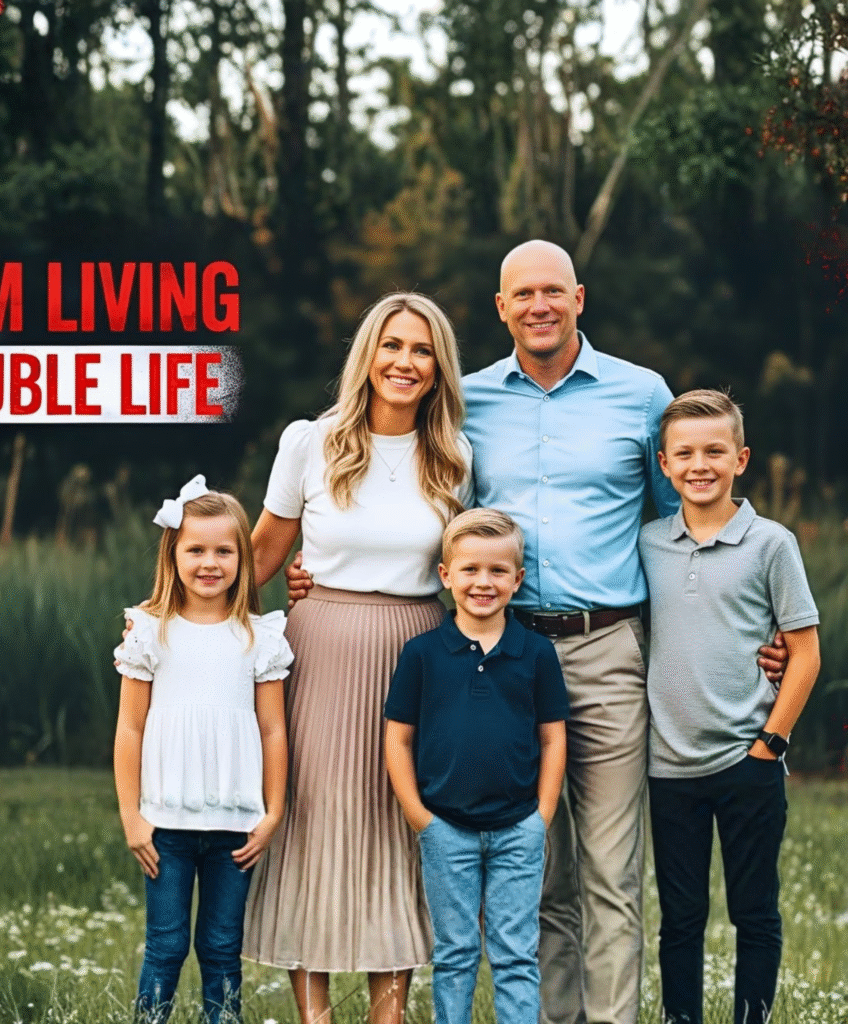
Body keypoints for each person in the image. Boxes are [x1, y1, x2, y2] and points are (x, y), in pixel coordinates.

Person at [284, 241, 788, 1024]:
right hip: (505, 657)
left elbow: (679, 523)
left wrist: (742, 627)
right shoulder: (468, 407)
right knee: (538, 869)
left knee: (612, 873)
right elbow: (429, 521)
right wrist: (316, 570)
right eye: (523, 295)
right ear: (501, 308)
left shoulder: (640, 395)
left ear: (579, 298)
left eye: (553, 291)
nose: (539, 306)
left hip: (610, 649)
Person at [243, 292, 473, 1024]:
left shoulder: (457, 455)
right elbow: (258, 559)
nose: (406, 362)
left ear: (439, 369)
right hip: (322, 648)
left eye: (422, 350)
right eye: (392, 346)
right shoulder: (311, 441)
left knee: (399, 825)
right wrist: (172, 617)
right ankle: (314, 1013)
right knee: (316, 821)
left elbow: (477, 565)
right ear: (367, 356)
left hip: (420, 653)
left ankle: (390, 1009)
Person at [639, 390, 821, 1024]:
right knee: (681, 916)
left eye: (715, 451)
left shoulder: (772, 544)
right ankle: (680, 1017)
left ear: (740, 458)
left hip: (748, 758)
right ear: (663, 464)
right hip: (669, 767)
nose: (700, 464)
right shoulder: (648, 544)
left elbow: (804, 654)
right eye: (684, 453)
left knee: (755, 910)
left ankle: (753, 1017)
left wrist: (770, 743)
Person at [112, 475, 292, 1024]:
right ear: (174, 554)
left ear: (242, 556)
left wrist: (273, 811)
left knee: (220, 950)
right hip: (163, 827)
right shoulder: (149, 631)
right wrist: (131, 816)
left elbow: (273, 731)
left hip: (236, 829)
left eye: (223, 550)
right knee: (166, 948)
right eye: (195, 549)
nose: (209, 562)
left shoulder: (260, 637)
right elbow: (130, 729)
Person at [384, 509, 568, 1024]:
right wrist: (421, 818)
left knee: (514, 955)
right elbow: (397, 739)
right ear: (445, 576)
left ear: (518, 580)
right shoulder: (422, 654)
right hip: (447, 830)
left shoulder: (535, 653)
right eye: (469, 570)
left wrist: (542, 816)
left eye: (497, 571)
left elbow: (553, 738)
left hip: (518, 830)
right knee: (456, 954)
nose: (483, 583)